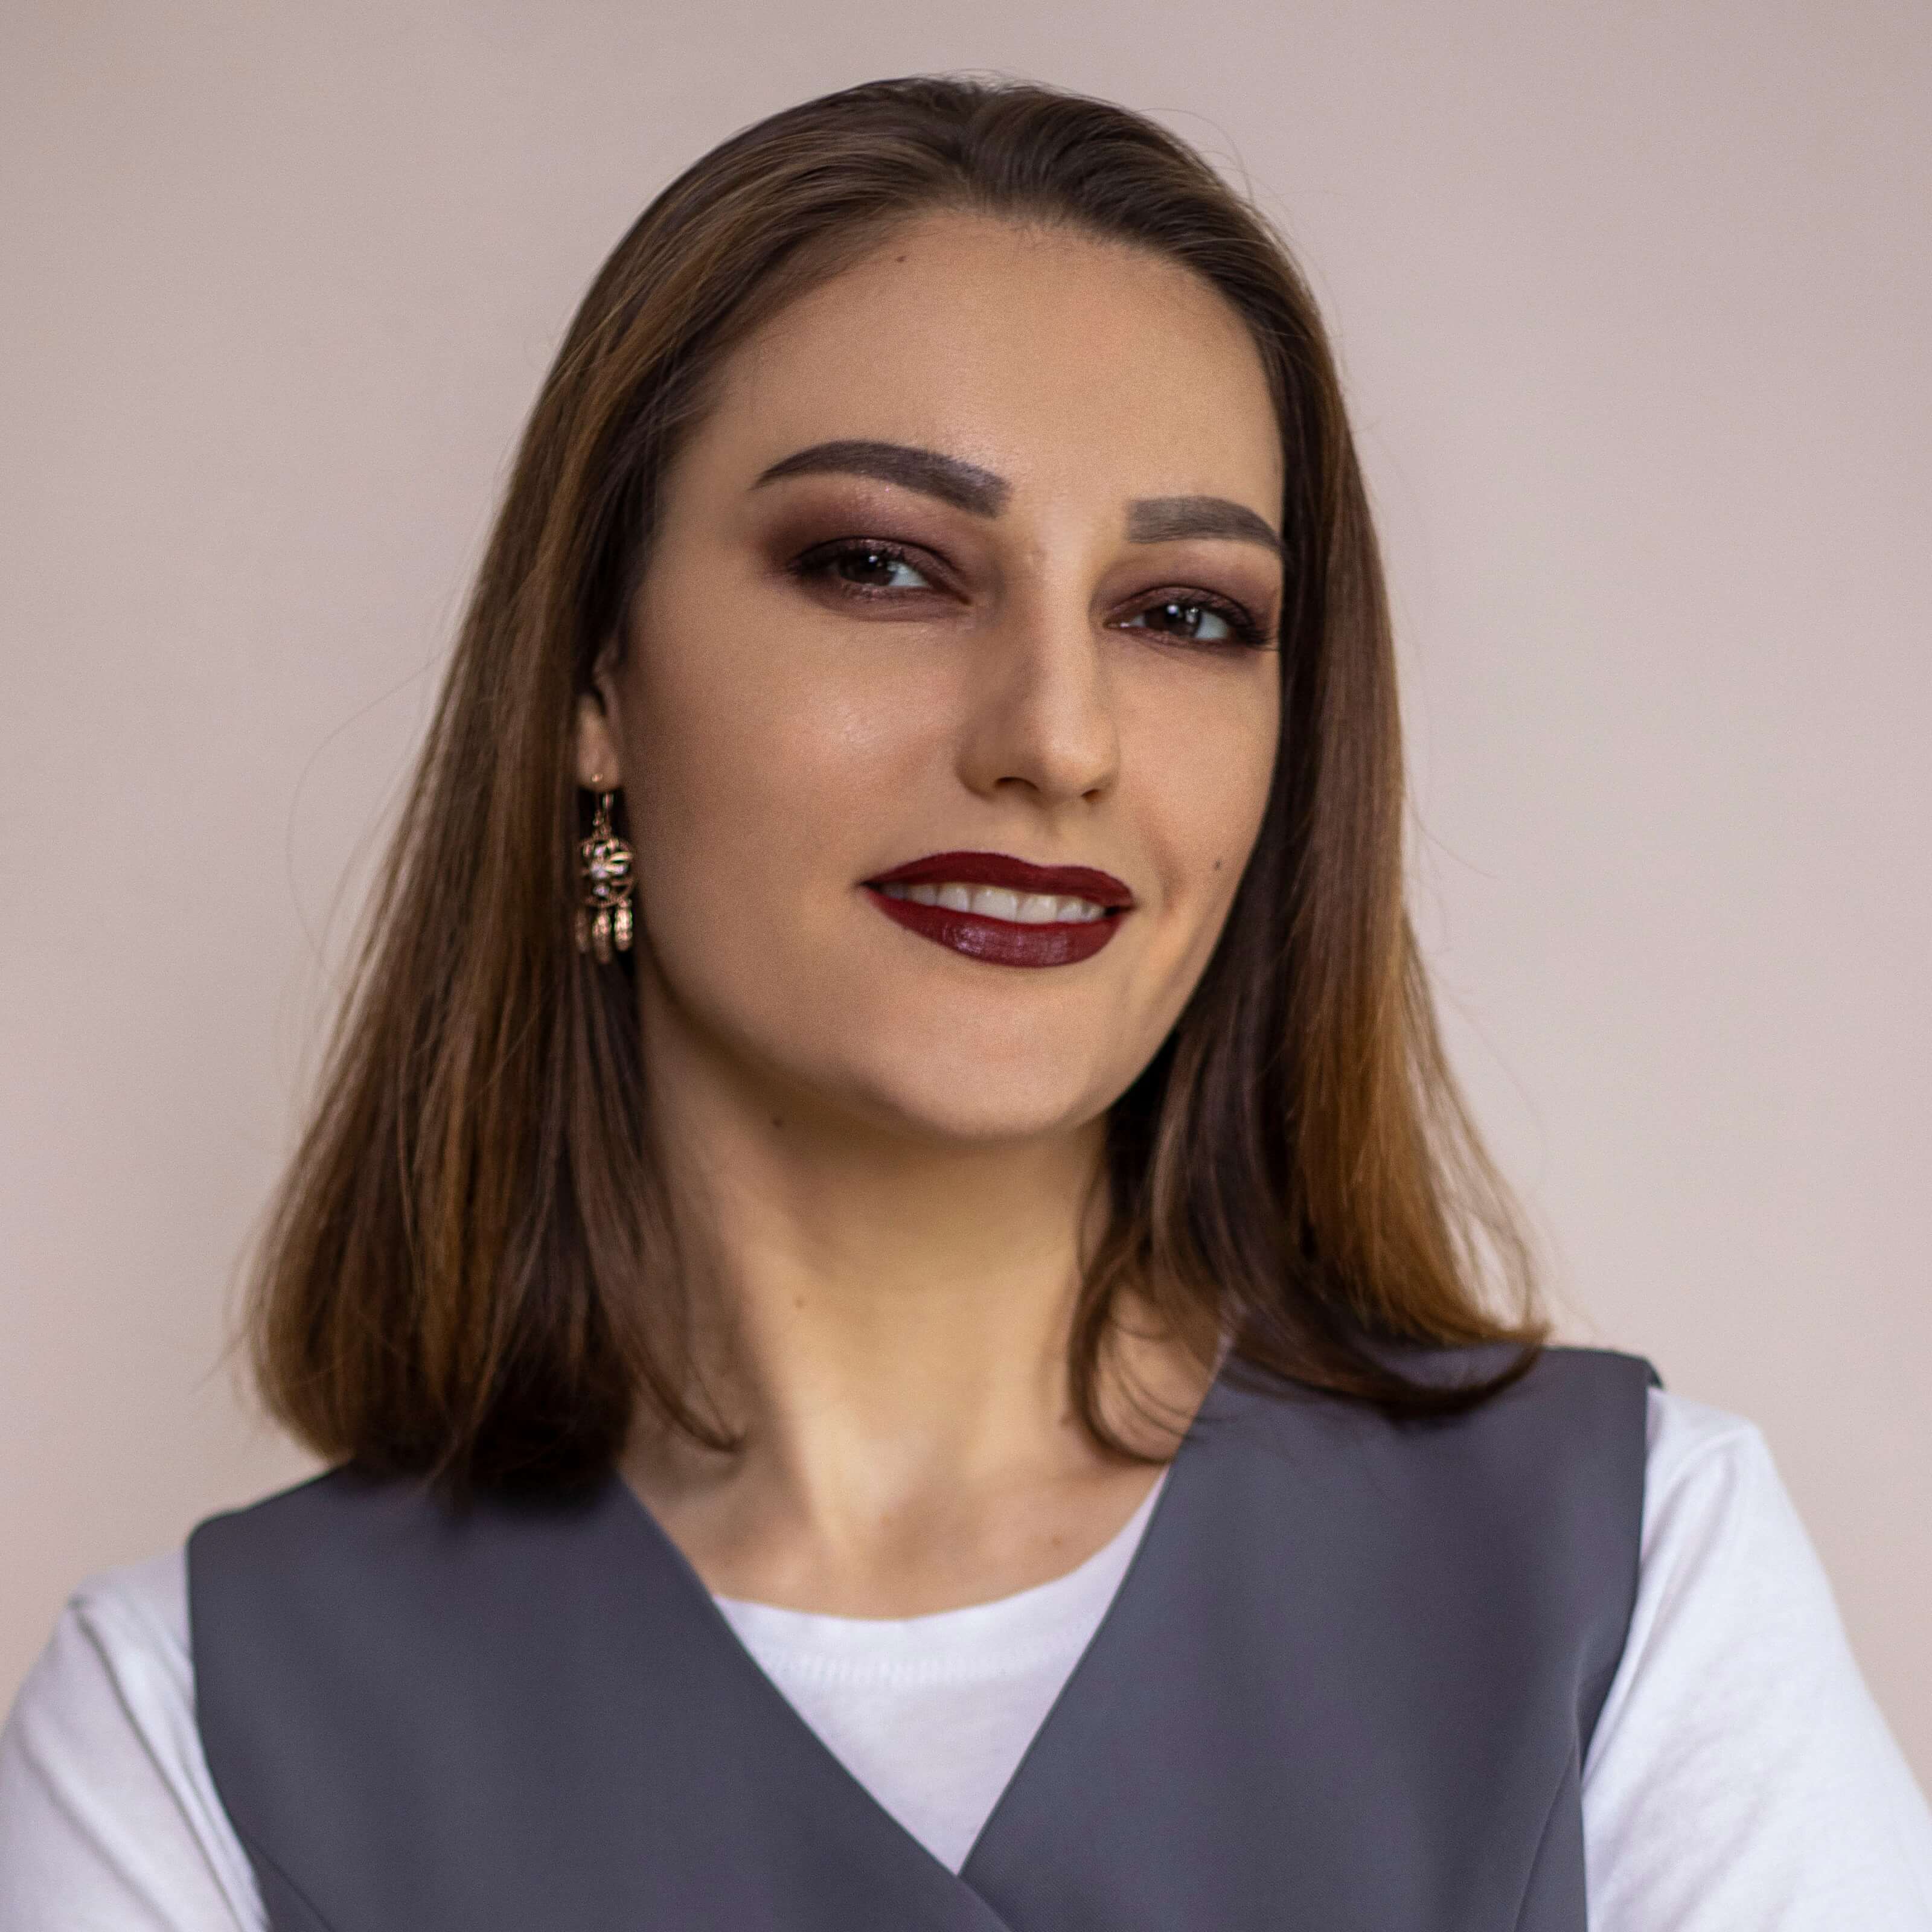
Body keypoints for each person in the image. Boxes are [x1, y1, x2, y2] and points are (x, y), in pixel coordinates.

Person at [2, 72, 1928, 1930]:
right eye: (884, 567)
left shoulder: (1632, 1567)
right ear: (594, 683)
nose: (1059, 738)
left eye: (1187, 614)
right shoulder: (185, 1732)